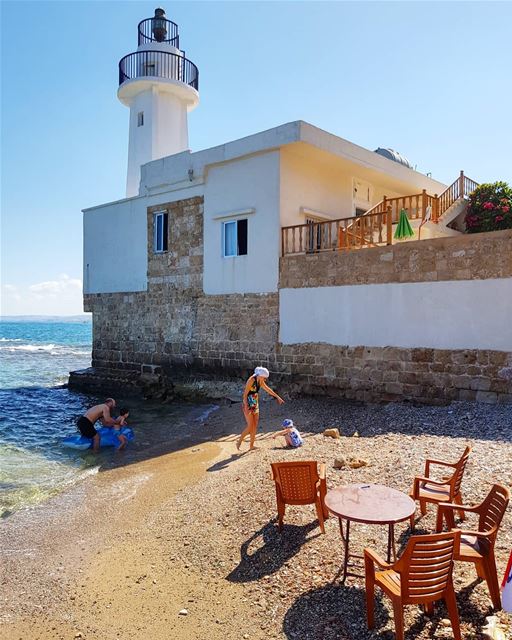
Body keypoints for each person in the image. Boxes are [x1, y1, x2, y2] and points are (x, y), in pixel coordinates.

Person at [236, 366, 284, 451]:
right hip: (248, 403)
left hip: (255, 403)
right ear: (260, 376)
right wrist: (246, 406)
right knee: (250, 426)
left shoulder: (260, 381)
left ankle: (251, 446)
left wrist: (277, 397)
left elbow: (268, 389)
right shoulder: (251, 380)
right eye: (264, 378)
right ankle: (239, 441)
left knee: (255, 425)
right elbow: (245, 395)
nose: (265, 380)